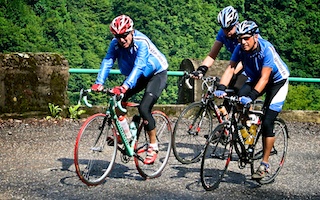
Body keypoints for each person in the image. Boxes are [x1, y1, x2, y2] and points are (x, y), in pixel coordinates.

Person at [214, 20, 290, 179]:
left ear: (255, 36)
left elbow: (264, 79)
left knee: (268, 121)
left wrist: (251, 97)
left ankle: (265, 164)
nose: (243, 42)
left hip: (277, 81)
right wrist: (221, 87)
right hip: (256, 77)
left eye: (246, 38)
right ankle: (249, 130)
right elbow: (231, 69)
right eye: (240, 38)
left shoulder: (266, 49)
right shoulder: (239, 48)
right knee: (237, 100)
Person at [91, 15, 168, 165]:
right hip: (137, 75)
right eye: (118, 36)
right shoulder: (115, 44)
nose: (121, 40)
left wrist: (125, 86)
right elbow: (107, 61)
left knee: (144, 108)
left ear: (132, 32)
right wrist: (99, 82)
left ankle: (153, 145)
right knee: (117, 101)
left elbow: (139, 65)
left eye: (125, 35)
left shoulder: (142, 42)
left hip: (156, 73)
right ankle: (126, 136)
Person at [191, 6, 246, 92]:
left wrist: (229, 75)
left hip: (252, 65)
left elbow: (244, 61)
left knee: (239, 93)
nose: (227, 32)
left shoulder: (244, 34)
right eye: (224, 29)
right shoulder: (222, 34)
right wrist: (201, 69)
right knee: (227, 98)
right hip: (237, 63)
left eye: (229, 28)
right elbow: (212, 55)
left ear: (236, 24)